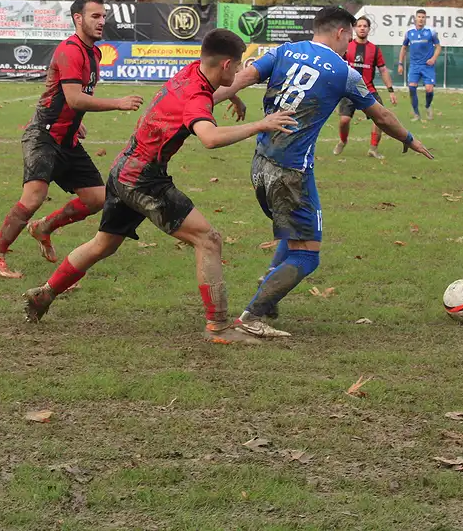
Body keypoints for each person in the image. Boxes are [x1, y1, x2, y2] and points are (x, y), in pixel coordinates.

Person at [22, 29, 299, 345]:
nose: (237, 72)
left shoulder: (192, 72)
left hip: (123, 169)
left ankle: (44, 293)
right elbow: (209, 137)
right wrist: (261, 124)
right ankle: (219, 327)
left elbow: (203, 97)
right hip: (144, 179)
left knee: (103, 244)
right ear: (225, 65)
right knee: (208, 240)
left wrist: (232, 94)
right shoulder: (197, 96)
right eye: (236, 67)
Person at [212, 6, 433, 337]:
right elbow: (382, 116)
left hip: (260, 162)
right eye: (349, 38)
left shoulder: (284, 51)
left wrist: (202, 105)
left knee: (295, 232)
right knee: (307, 256)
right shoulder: (344, 72)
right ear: (341, 33)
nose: (349, 45)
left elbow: (239, 79)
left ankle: (270, 286)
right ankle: (251, 317)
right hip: (291, 173)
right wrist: (410, 139)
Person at [0, 0, 143, 279]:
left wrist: (73, 122)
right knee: (34, 197)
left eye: (103, 16)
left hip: (67, 138)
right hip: (43, 135)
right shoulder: (70, 50)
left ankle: (43, 227)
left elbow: (69, 97)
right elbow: (74, 98)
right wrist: (117, 103)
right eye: (95, 16)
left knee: (96, 198)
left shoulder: (94, 53)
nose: (101, 21)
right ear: (78, 18)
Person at [334, 16, 397, 159]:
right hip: (349, 88)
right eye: (359, 26)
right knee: (344, 121)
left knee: (380, 119)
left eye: (365, 26)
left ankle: (373, 149)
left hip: (367, 89)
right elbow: (337, 66)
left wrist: (391, 90)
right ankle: (343, 141)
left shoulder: (374, 49)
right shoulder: (347, 46)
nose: (362, 28)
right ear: (355, 29)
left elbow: (383, 70)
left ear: (369, 29)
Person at [397, 8, 441, 120]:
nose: (421, 19)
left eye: (423, 17)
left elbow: (438, 47)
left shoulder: (431, 32)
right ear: (415, 18)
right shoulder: (409, 32)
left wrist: (433, 58)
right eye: (419, 17)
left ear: (425, 19)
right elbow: (404, 48)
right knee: (412, 88)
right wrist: (400, 64)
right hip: (414, 66)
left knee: (429, 89)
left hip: (428, 66)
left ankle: (428, 106)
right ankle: (416, 114)